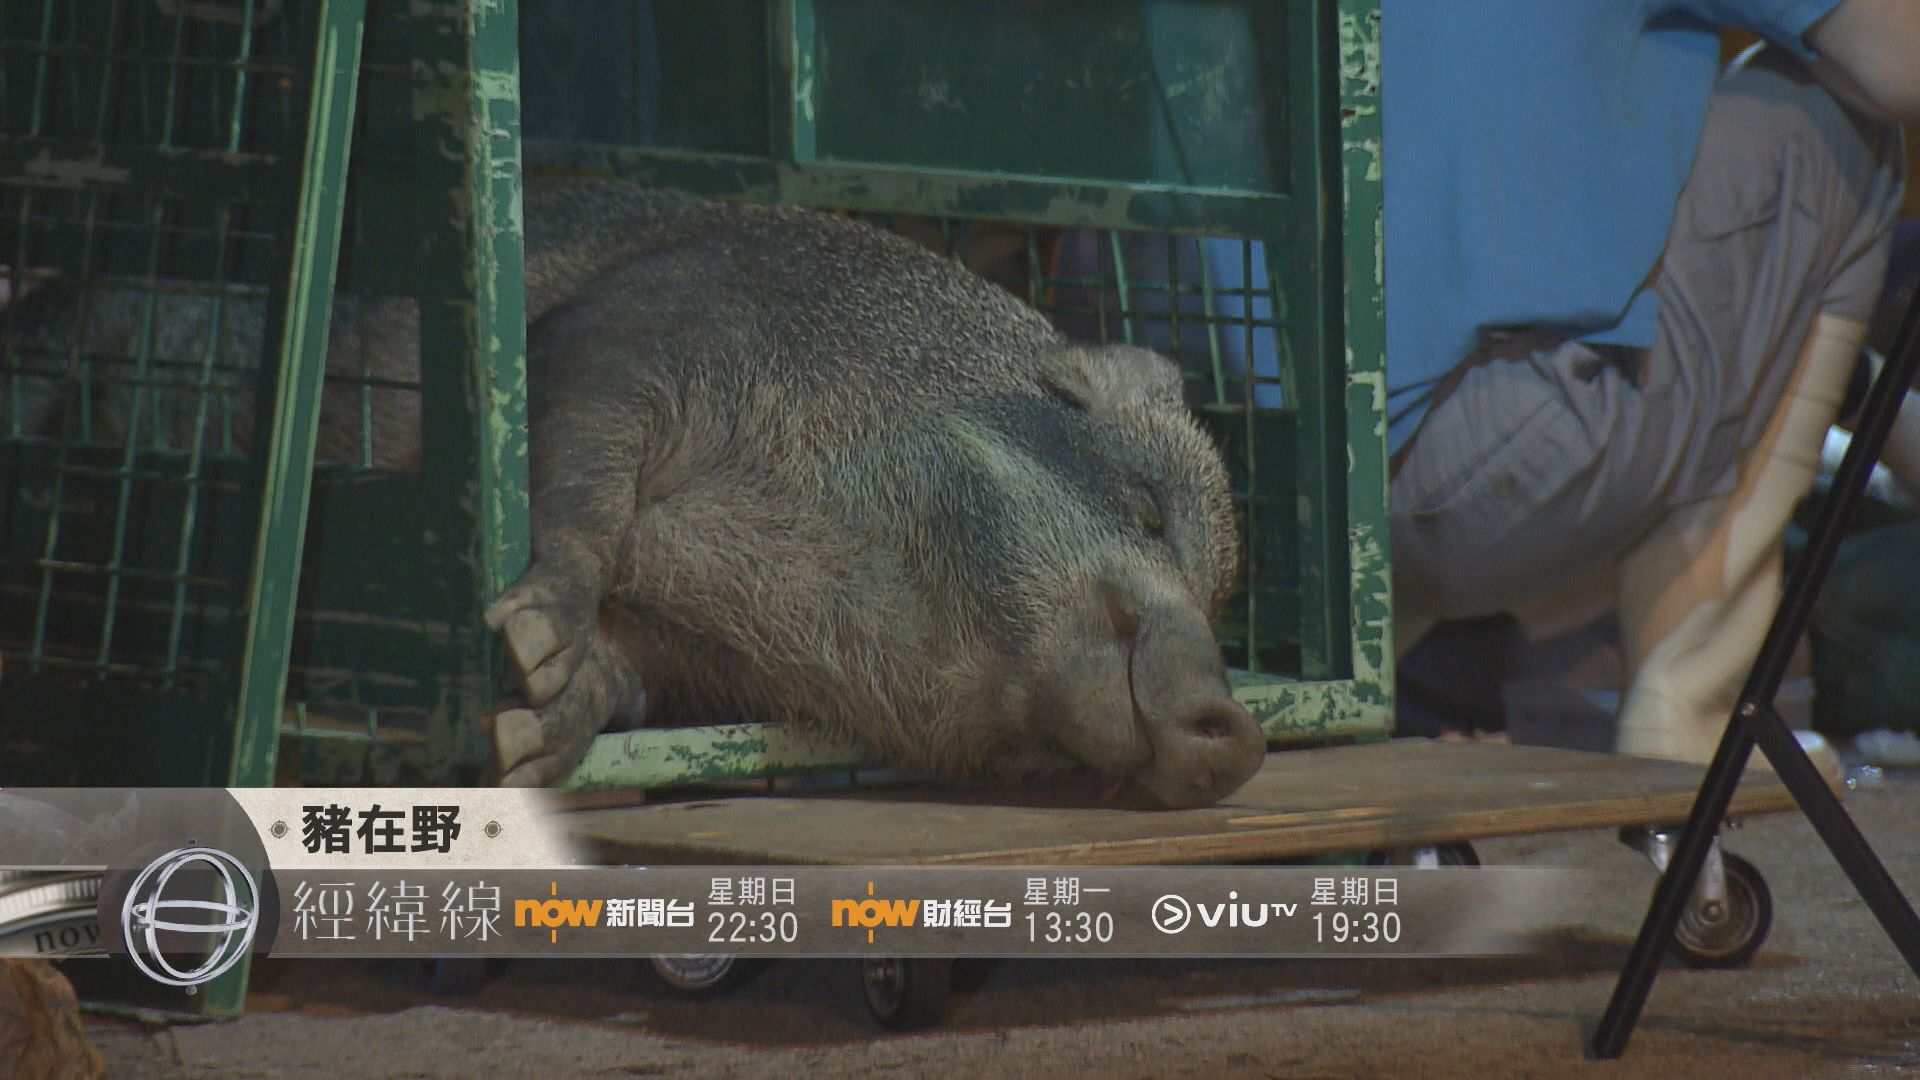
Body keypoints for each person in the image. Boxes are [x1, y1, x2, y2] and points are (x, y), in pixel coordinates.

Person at [1379, 1, 1920, 770]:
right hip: (1480, 482)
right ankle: (1691, 714)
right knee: (1843, 124)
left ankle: (1333, 677)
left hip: (1264, 508)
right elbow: (1903, 62)